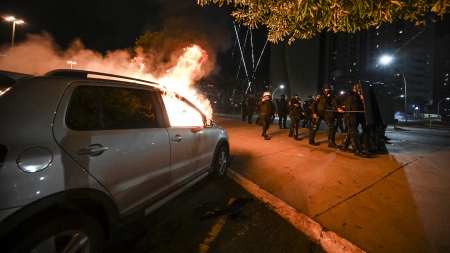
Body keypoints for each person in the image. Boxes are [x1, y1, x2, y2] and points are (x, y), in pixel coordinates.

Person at [338, 84, 370, 157]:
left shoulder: (360, 96)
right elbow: (335, 100)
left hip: (357, 116)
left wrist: (363, 99)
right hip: (349, 116)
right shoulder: (347, 95)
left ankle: (344, 146)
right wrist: (338, 108)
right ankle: (357, 151)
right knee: (354, 133)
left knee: (352, 132)